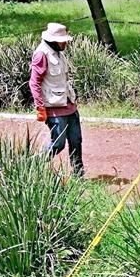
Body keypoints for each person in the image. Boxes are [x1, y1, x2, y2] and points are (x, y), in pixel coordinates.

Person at [29, 22, 84, 176]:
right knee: (58, 144)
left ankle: (78, 175)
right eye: (63, 40)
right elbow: (34, 83)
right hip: (54, 108)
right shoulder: (41, 54)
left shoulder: (59, 52)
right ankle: (33, 165)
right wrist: (40, 107)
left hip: (69, 105)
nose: (66, 42)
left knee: (76, 141)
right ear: (53, 40)